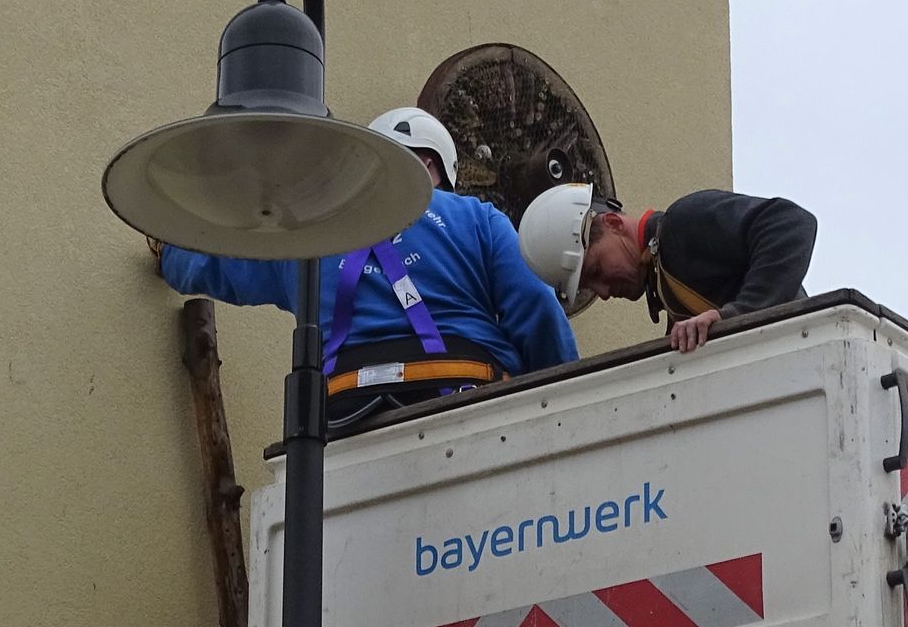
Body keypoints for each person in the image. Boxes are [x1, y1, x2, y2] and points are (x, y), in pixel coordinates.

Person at [153, 108, 578, 435]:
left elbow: (216, 263)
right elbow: (535, 306)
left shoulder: (310, 236)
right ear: (432, 166)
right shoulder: (476, 218)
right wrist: (564, 402)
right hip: (467, 397)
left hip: (345, 414)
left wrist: (167, 248)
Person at [517, 182, 818, 353]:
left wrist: (738, 314)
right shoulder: (670, 283)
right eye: (590, 287)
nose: (604, 292)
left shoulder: (683, 224)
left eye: (595, 271)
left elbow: (789, 224)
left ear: (613, 223)